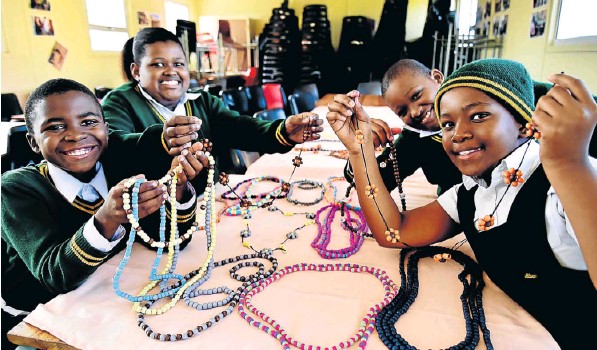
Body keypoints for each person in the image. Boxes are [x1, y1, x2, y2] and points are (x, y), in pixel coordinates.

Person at [326, 58, 596, 349]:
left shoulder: (559, 184)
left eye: (478, 115)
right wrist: (360, 148)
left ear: (521, 122)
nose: (458, 134)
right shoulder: (470, 194)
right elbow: (395, 232)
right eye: (448, 124)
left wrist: (570, 164)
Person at [1, 78, 207, 348]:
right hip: (39, 321)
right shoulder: (15, 189)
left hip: (110, 301)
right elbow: (54, 275)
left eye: (88, 122)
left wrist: (178, 188)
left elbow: (170, 242)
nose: (75, 135)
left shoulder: (118, 159)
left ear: (107, 130)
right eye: (55, 127)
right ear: (33, 143)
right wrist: (106, 219)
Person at [329, 58, 597, 199]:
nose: (415, 112)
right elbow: (377, 183)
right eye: (401, 112)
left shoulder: (487, 87)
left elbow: (544, 95)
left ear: (436, 77)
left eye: (416, 96)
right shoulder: (414, 141)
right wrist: (359, 150)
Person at [102, 27, 323, 191]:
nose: (171, 71)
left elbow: (239, 128)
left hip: (209, 201)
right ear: (136, 71)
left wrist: (283, 131)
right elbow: (115, 147)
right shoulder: (120, 102)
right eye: (158, 64)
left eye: (179, 64)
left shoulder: (202, 101)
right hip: (156, 215)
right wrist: (162, 140)